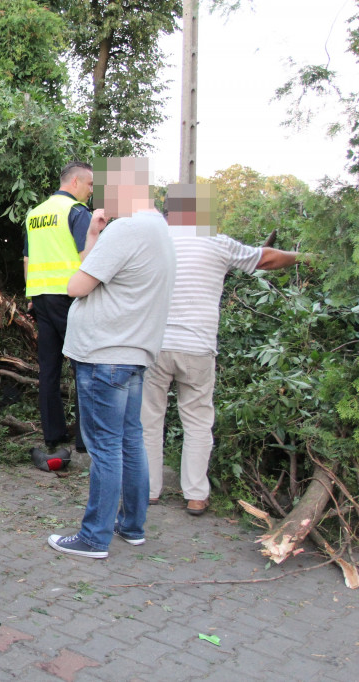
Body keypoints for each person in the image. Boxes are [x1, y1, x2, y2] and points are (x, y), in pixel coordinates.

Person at [142, 184, 305, 515]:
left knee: (149, 420)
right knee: (198, 419)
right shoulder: (217, 242)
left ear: (168, 210)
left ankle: (149, 490)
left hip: (154, 344)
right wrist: (303, 256)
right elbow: (268, 257)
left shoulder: (151, 239)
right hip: (198, 347)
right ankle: (196, 495)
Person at [47, 157, 176, 559]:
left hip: (104, 353)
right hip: (134, 352)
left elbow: (76, 285)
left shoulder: (127, 229)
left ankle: (93, 537)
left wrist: (92, 240)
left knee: (105, 447)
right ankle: (132, 526)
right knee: (129, 441)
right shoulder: (160, 228)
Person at [23, 161, 94, 467]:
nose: (91, 191)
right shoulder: (77, 212)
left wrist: (30, 293)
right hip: (70, 296)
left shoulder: (35, 213)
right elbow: (87, 257)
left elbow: (27, 257)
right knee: (85, 365)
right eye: (90, 185)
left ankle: (53, 436)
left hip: (40, 296)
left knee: (48, 369)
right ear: (75, 182)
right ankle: (85, 438)